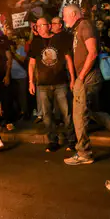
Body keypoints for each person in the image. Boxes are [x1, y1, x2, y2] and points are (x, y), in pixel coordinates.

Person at [61, 5, 110, 166]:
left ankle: (84, 152)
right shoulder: (78, 28)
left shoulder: (85, 26)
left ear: (73, 14)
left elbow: (93, 52)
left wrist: (80, 77)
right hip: (86, 78)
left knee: (78, 116)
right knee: (95, 113)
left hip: (88, 79)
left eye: (65, 16)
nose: (63, 19)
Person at [28, 17, 76, 152]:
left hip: (60, 82)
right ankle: (52, 141)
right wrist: (31, 82)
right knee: (47, 115)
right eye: (36, 26)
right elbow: (31, 63)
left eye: (40, 25)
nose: (37, 28)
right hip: (42, 85)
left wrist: (72, 79)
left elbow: (68, 59)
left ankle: (72, 140)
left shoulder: (59, 39)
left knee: (66, 113)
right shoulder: (35, 42)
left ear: (48, 26)